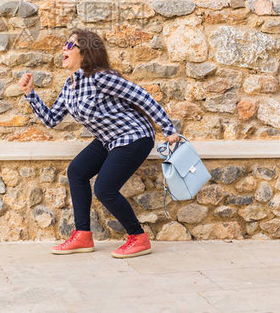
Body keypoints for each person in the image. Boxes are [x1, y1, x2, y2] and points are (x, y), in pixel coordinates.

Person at [18, 29, 181, 258]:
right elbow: (51, 119)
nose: (64, 48)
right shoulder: (70, 85)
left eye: (69, 45)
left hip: (134, 136)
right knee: (77, 171)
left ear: (84, 53)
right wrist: (29, 93)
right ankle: (83, 235)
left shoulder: (101, 77)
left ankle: (138, 237)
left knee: (104, 188)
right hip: (109, 138)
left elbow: (141, 97)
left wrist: (168, 129)